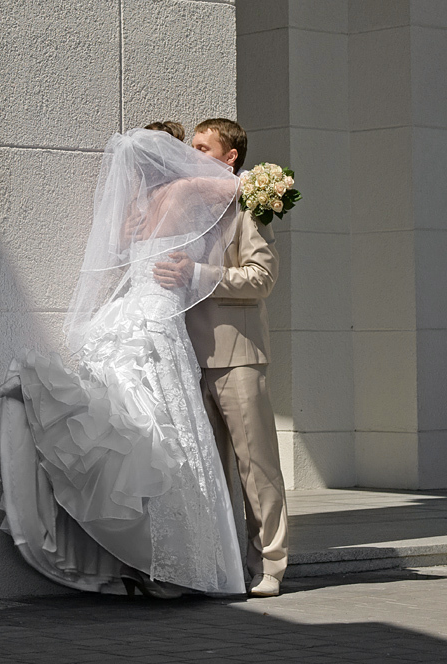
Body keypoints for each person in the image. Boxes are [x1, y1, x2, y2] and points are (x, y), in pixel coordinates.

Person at [0, 123, 246, 597]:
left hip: (125, 316)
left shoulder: (134, 210)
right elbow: (239, 188)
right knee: (168, 432)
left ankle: (139, 563)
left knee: (133, 430)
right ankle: (177, 564)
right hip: (156, 319)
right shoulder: (186, 190)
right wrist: (262, 179)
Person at [153, 118, 288, 597]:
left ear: (230, 157)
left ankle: (269, 565)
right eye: (191, 146)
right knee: (205, 475)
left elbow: (262, 278)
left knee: (257, 468)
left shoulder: (247, 207)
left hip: (237, 355)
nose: (192, 154)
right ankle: (217, 568)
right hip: (186, 358)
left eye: (203, 147)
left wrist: (199, 274)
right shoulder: (185, 206)